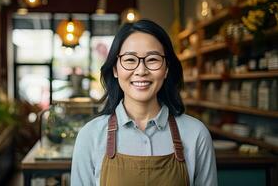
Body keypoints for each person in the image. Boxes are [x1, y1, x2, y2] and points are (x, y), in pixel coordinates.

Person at [71, 19, 217, 186]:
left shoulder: (196, 134)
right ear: (115, 69)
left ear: (166, 68)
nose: (141, 71)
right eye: (130, 60)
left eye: (152, 59)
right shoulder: (90, 136)